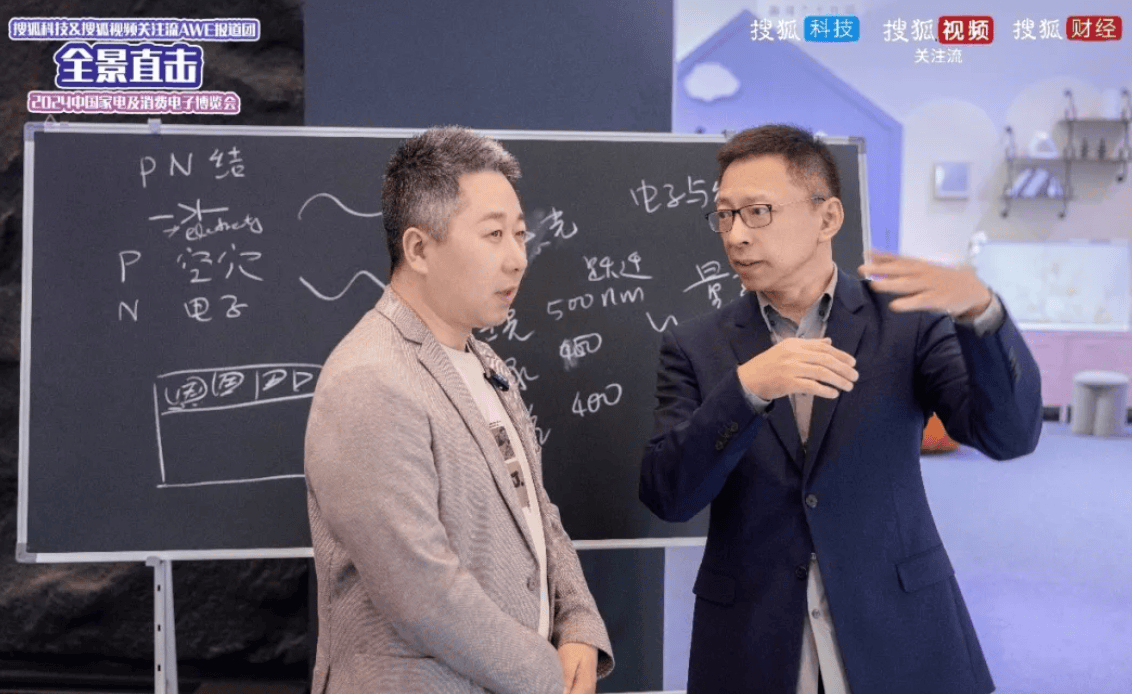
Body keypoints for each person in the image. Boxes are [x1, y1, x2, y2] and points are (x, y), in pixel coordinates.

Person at [639, 124, 1041, 694]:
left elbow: (1010, 435)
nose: (736, 236)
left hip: (898, 630)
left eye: (757, 212)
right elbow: (668, 495)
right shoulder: (694, 346)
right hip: (754, 642)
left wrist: (982, 313)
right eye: (724, 216)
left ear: (827, 217)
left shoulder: (904, 321)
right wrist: (746, 390)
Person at [305, 127, 613, 694]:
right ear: (419, 249)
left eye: (519, 234)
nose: (517, 259)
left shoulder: (487, 362)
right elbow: (421, 594)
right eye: (493, 235)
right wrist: (546, 675)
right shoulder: (370, 377)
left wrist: (579, 624)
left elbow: (536, 512)